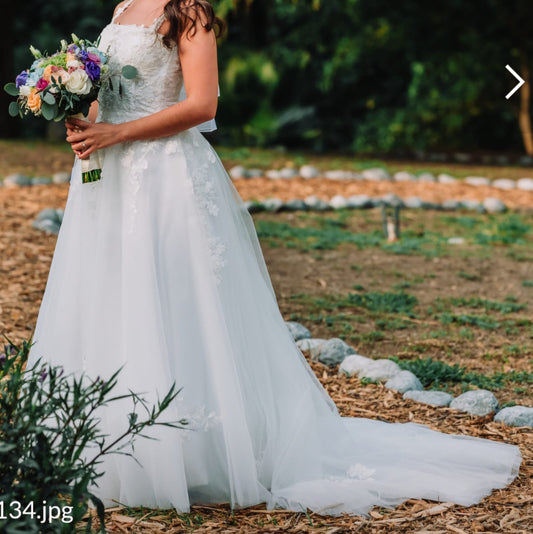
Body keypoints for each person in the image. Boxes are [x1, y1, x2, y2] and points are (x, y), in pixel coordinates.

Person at [26, 0, 522, 518]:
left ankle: (187, 454)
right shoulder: (124, 5)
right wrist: (85, 122)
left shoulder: (188, 10)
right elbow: (111, 97)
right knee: (113, 296)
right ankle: (110, 443)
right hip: (109, 176)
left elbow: (203, 106)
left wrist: (118, 133)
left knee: (172, 298)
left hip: (162, 176)